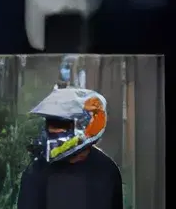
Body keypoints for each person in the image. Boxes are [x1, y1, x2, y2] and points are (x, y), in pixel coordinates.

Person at [16, 76, 124, 209]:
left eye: (60, 123)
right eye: (49, 123)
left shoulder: (107, 170)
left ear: (83, 124)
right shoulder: (37, 171)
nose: (52, 130)